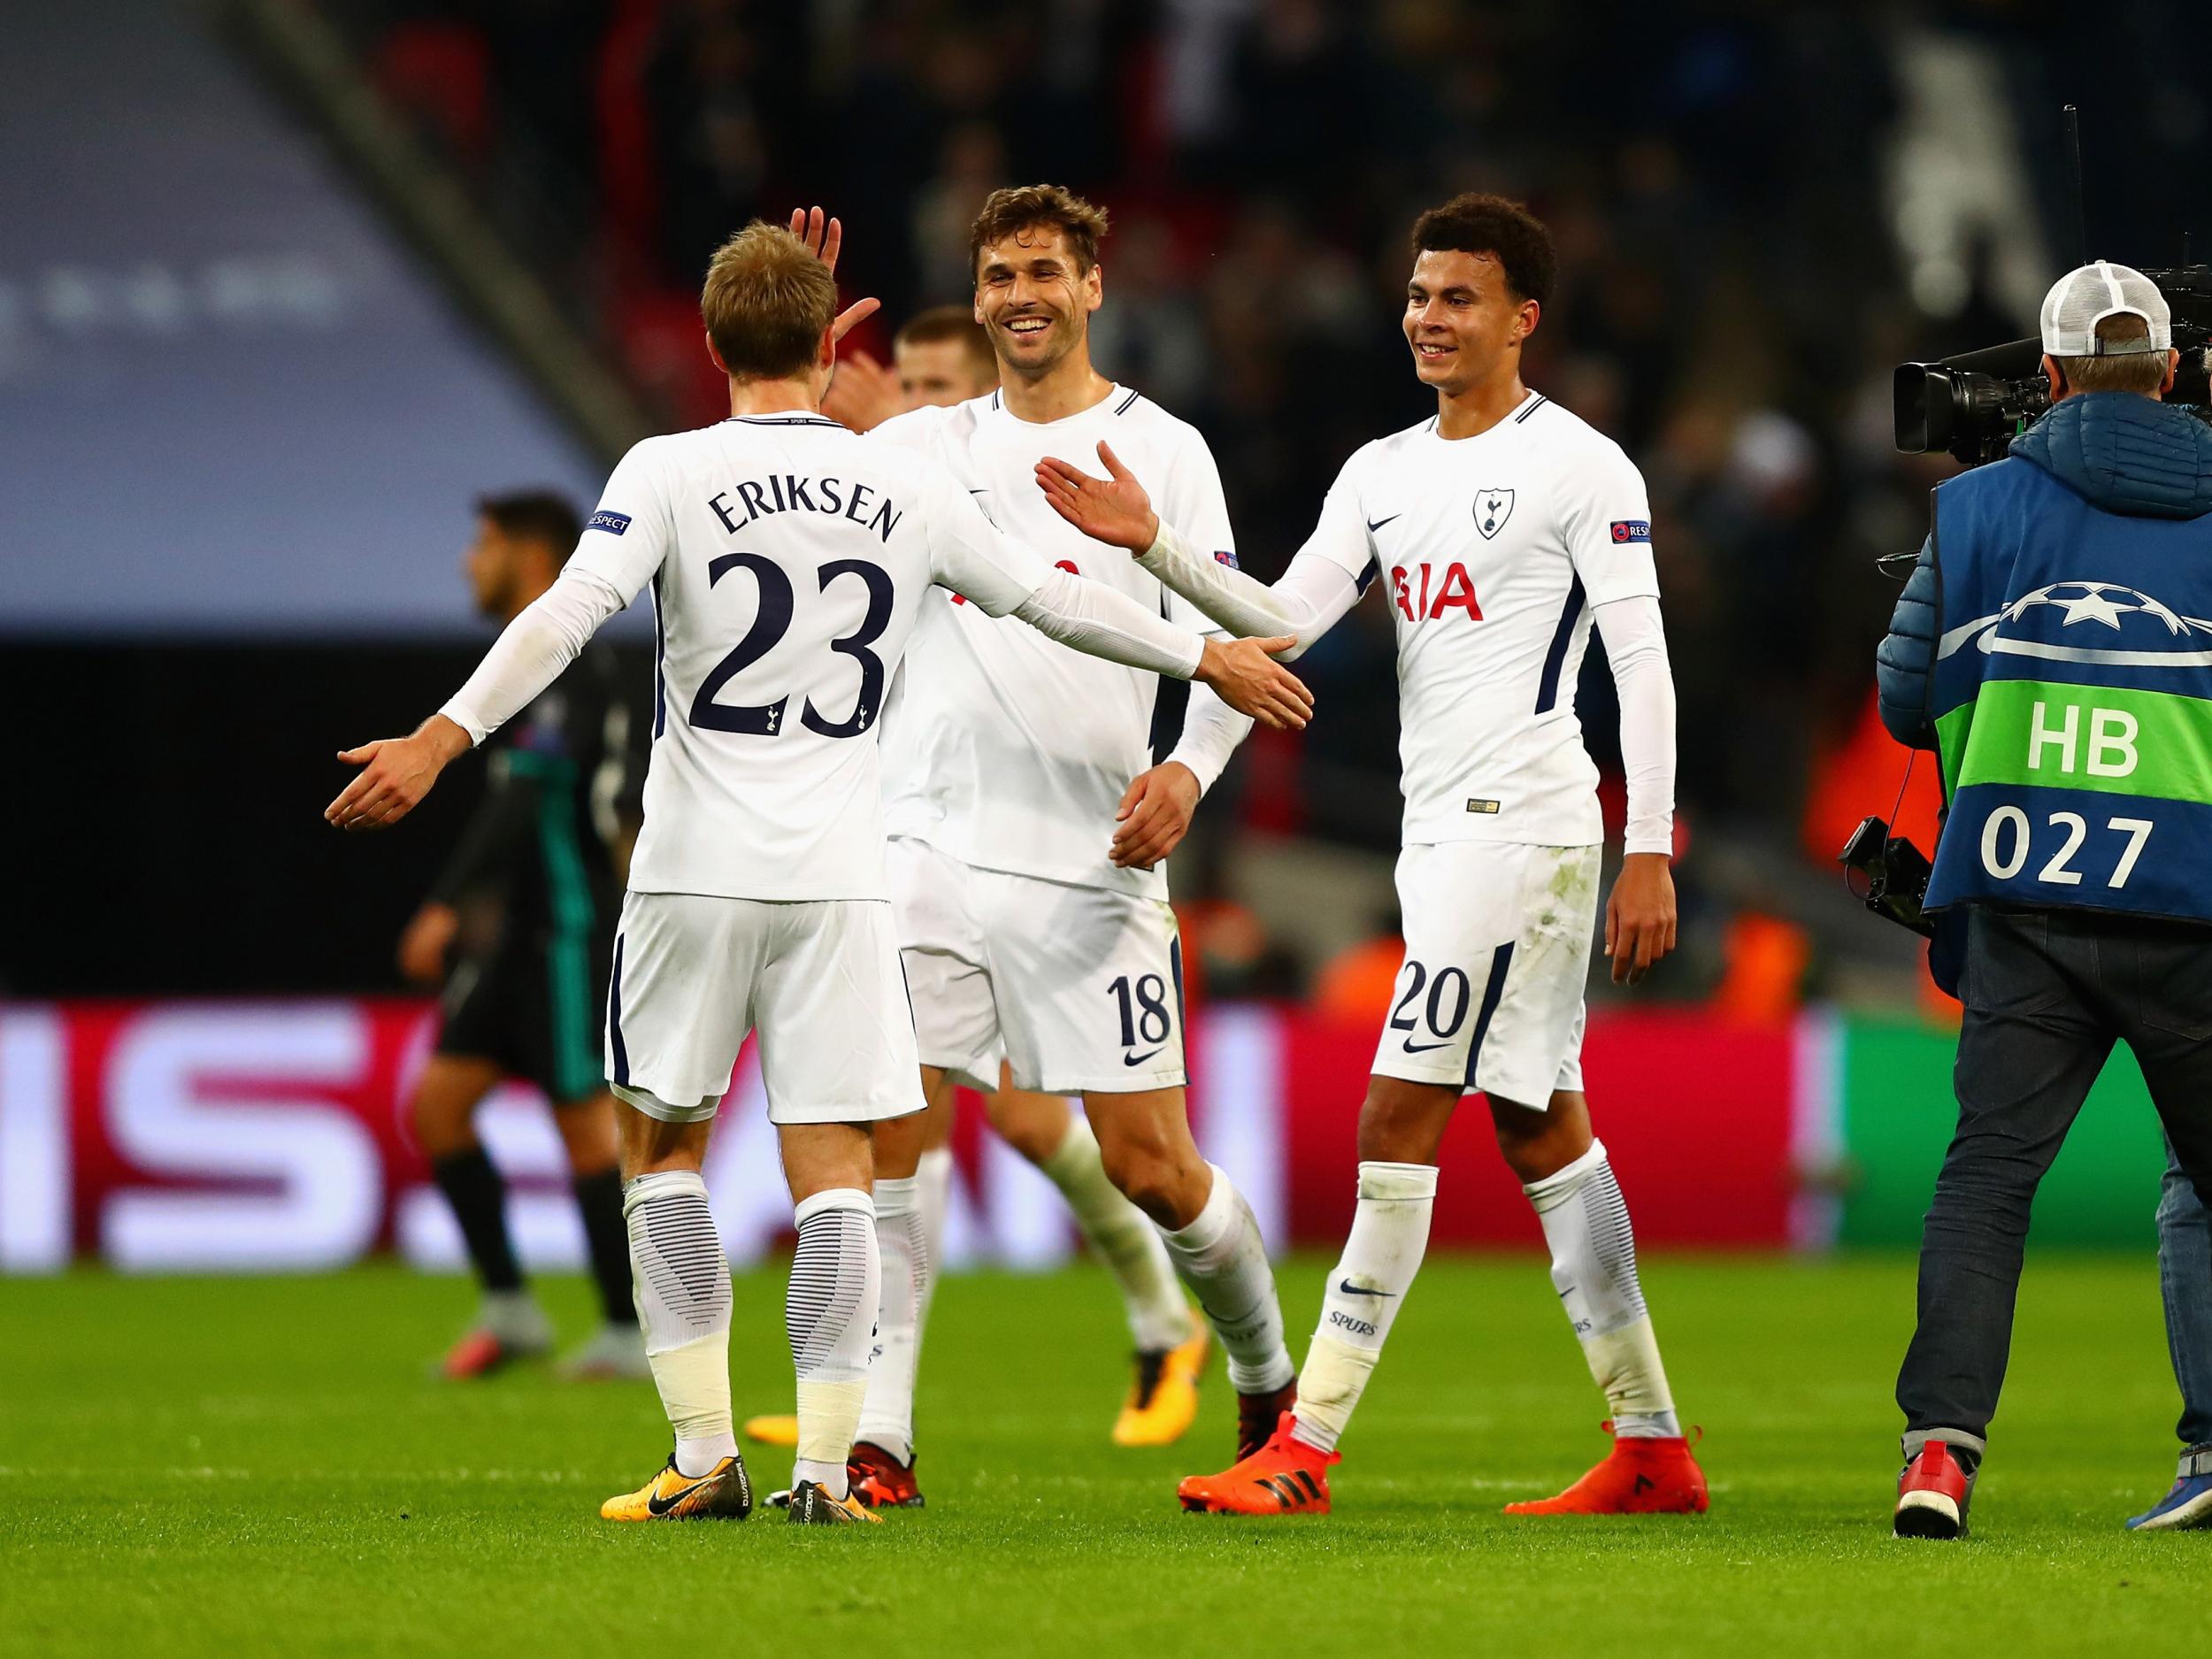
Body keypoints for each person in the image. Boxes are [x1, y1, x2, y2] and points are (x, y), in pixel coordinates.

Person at [323, 219, 1312, 1527]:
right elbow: (1038, 593)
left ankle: (702, 1450)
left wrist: (443, 736)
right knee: (844, 1161)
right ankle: (840, 1459)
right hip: (856, 871)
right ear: (825, 335)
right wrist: (1201, 658)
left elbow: (567, 611)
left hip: (697, 869)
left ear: (713, 337)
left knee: (662, 1145)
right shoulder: (899, 479)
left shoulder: (669, 468)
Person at [1039, 192, 1706, 1517]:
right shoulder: (1381, 472)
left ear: (1524, 317)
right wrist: (1156, 547)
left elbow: (1641, 660)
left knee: (1394, 1114)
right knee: (1538, 1124)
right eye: (1418, 294)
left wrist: (1650, 845)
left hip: (1528, 828)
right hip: (1439, 834)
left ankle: (1308, 1444)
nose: (1428, 317)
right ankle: (1652, 1445)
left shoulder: (1583, 466)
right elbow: (1280, 621)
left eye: (1459, 298)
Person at [764, 189, 1299, 1510]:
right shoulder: (923, 442)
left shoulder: (1161, 449)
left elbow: (1258, 635)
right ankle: (880, 1438)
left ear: (1094, 286)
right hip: (923, 837)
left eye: (1043, 271)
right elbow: (760, 448)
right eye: (999, 272)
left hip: (1093, 849)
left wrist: (1187, 765)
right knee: (898, 1130)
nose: (1019, 294)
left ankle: (1267, 1372)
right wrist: (795, 362)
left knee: (1149, 1168)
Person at [1874, 261, 2212, 1539]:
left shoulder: (1975, 511)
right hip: (2192, 900)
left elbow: (1907, 699)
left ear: (2051, 377)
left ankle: (1940, 1456)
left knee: (1988, 1178)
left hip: (2026, 895)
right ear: (2174, 373)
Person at [400, 490, 647, 1382]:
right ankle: (510, 1309)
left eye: (484, 544)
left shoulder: (573, 662)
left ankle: (626, 1328)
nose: (471, 562)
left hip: (569, 927)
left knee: (583, 1124)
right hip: (515, 935)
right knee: (437, 1108)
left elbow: (533, 795)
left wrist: (447, 899)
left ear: (530, 553)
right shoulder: (520, 663)